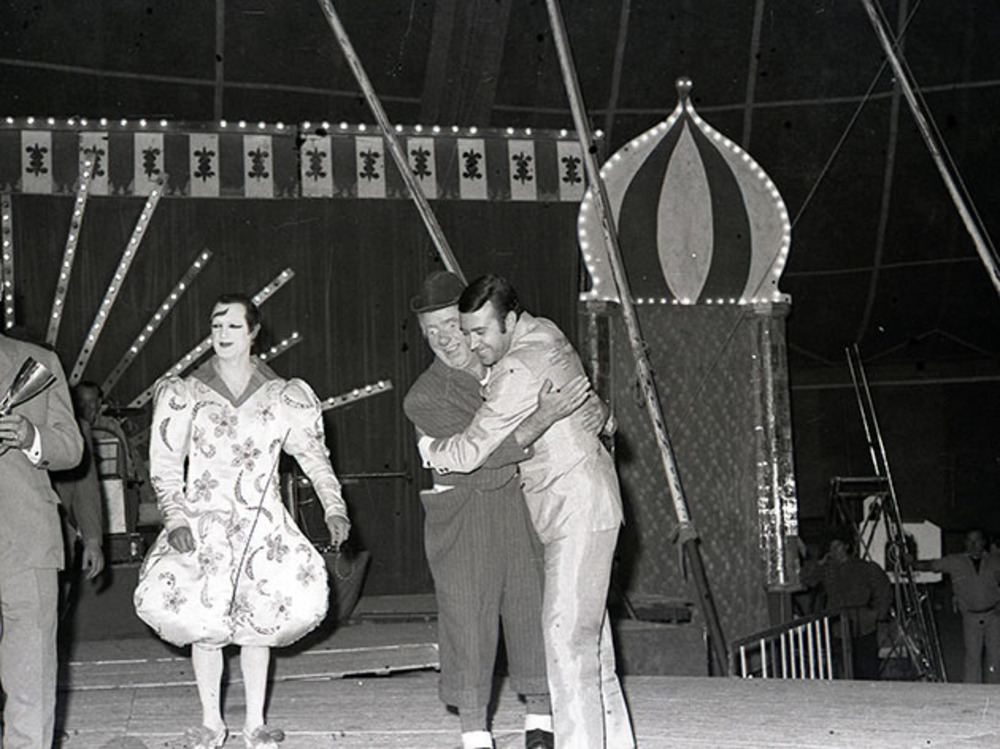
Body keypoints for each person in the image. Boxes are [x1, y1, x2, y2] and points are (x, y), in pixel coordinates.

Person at [418, 274, 634, 748]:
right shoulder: (547, 331)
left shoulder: (516, 370)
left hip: (571, 510)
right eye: (466, 332)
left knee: (566, 646)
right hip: (590, 502)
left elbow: (474, 449)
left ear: (510, 321)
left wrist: (432, 451)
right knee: (591, 646)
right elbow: (595, 409)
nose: (474, 345)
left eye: (481, 333)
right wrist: (605, 415)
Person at [134, 293, 350, 749]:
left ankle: (256, 723)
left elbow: (314, 457)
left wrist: (334, 507)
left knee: (261, 617)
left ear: (253, 333)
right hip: (203, 519)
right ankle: (211, 722)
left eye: (234, 326)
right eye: (216, 325)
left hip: (260, 522)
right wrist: (175, 516)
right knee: (203, 621)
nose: (223, 334)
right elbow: (166, 464)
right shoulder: (185, 392)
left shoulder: (282, 394)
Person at [0, 329, 85, 747]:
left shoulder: (39, 361)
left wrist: (31, 436)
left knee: (30, 672)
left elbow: (72, 446)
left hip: (26, 538)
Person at [910, 529, 1000, 683]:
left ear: (983, 542)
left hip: (994, 615)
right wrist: (911, 562)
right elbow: (932, 565)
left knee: (995, 657)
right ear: (964, 543)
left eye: (977, 540)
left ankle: (994, 692)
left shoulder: (995, 561)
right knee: (972, 656)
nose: (973, 545)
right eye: (969, 541)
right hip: (970, 617)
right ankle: (971, 693)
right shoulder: (955, 561)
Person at [800, 536, 893, 679]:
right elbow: (807, 580)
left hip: (863, 623)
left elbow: (883, 589)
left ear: (846, 547)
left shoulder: (864, 567)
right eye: (831, 549)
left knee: (867, 666)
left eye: (838, 546)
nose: (835, 551)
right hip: (838, 625)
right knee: (843, 666)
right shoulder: (827, 570)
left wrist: (878, 614)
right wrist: (819, 564)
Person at [51, 397, 106, 613]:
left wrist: (93, 541)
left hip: (57, 532)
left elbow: (86, 487)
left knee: (51, 610)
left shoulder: (75, 426)